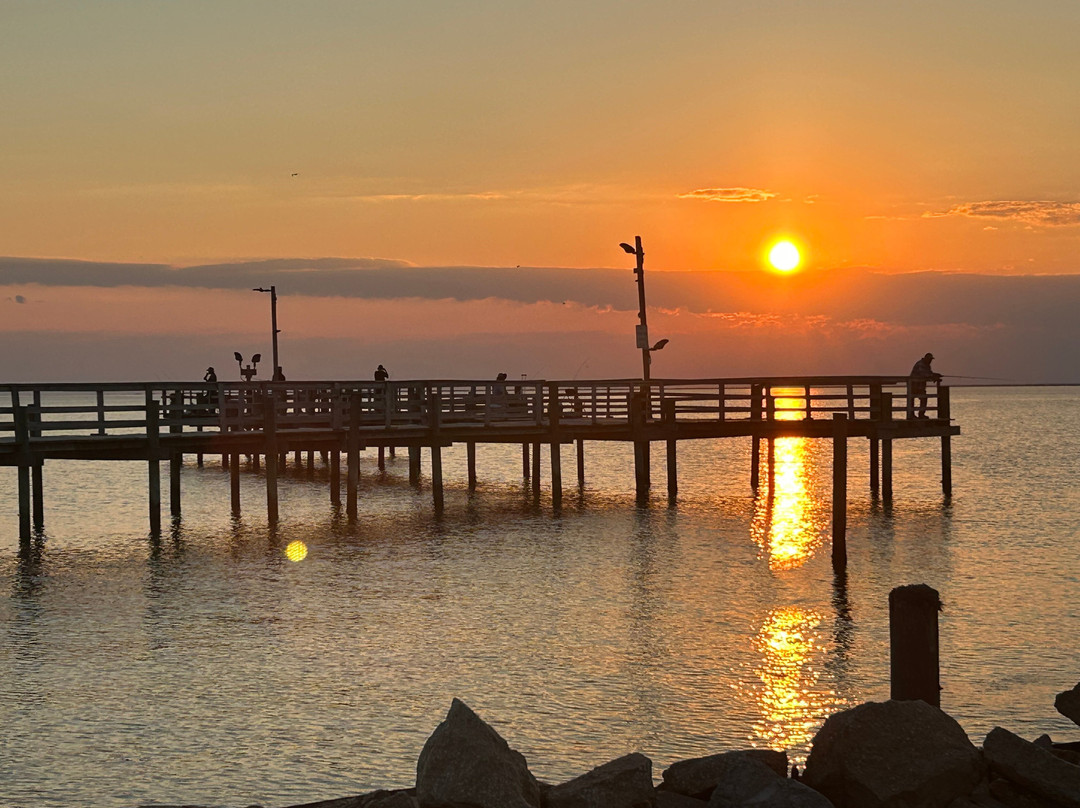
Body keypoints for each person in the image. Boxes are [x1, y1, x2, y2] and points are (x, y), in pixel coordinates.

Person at [909, 352, 942, 418]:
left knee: (924, 398)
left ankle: (921, 414)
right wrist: (933, 376)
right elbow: (924, 374)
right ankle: (911, 414)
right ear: (926, 358)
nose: (930, 361)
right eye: (929, 359)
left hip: (921, 386)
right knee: (912, 399)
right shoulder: (920, 364)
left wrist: (935, 376)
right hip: (914, 385)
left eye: (931, 360)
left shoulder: (927, 365)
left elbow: (929, 373)